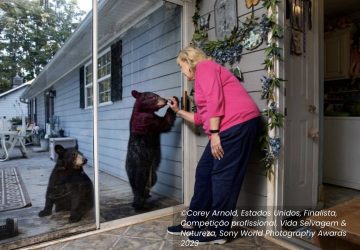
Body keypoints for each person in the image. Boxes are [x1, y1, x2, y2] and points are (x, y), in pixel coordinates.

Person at [167, 46, 261, 245]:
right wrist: (177, 111)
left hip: (238, 125)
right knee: (204, 172)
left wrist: (216, 134)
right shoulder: (203, 75)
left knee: (223, 178)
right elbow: (202, 117)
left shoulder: (206, 68)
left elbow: (215, 100)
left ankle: (218, 230)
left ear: (188, 61)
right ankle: (195, 222)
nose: (181, 71)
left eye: (180, 66)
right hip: (228, 127)